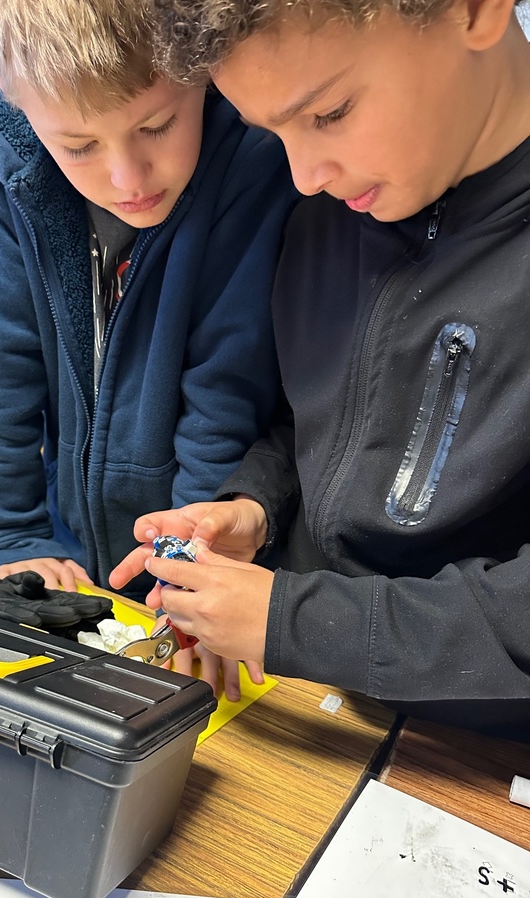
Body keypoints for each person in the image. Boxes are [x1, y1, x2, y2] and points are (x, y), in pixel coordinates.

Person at [110, 0, 530, 735]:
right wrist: (255, 508)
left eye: (329, 113)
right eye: (271, 132)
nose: (303, 175)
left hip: (480, 753)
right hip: (312, 704)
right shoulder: (327, 214)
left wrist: (296, 622)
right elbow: (318, 420)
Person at [0, 0, 294, 648]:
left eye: (159, 125)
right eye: (78, 146)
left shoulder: (249, 155)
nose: (126, 178)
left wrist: (188, 569)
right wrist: (14, 532)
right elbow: (1, 352)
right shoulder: (0, 146)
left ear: (202, 71)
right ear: (20, 104)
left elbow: (223, 391)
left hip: (206, 525)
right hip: (70, 538)